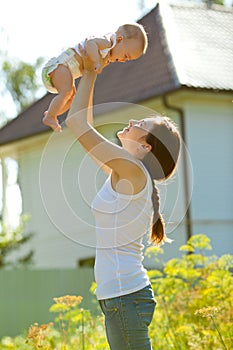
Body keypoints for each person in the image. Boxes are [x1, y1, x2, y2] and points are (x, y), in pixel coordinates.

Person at [65, 55, 181, 349]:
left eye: (140, 123)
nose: (132, 120)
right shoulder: (126, 171)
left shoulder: (131, 171)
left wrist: (90, 72)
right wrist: (90, 72)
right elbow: (84, 125)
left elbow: (76, 123)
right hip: (121, 298)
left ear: (145, 146)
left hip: (124, 298)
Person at [42, 23, 148, 132]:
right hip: (59, 66)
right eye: (126, 55)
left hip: (66, 71)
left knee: (71, 97)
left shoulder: (107, 55)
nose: (123, 60)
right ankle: (50, 116)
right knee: (67, 91)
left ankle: (52, 112)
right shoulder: (107, 42)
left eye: (127, 60)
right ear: (119, 40)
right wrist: (96, 61)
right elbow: (90, 44)